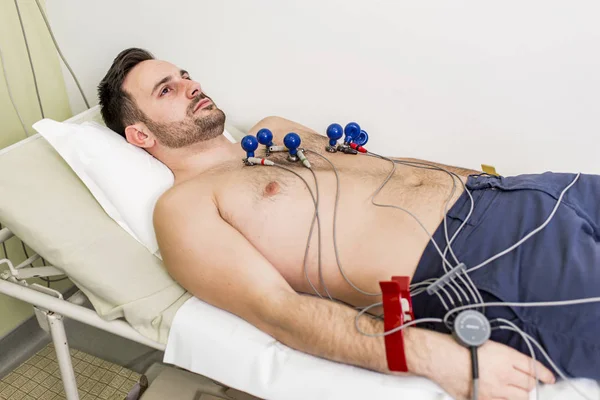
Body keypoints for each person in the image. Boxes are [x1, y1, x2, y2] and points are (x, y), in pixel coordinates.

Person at [98, 48, 600, 400]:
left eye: (184, 74)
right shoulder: (184, 208)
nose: (191, 85)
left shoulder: (275, 130)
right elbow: (277, 311)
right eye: (167, 89)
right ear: (141, 134)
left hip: (529, 192)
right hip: (483, 261)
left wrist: (498, 180)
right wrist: (438, 358)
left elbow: (386, 169)